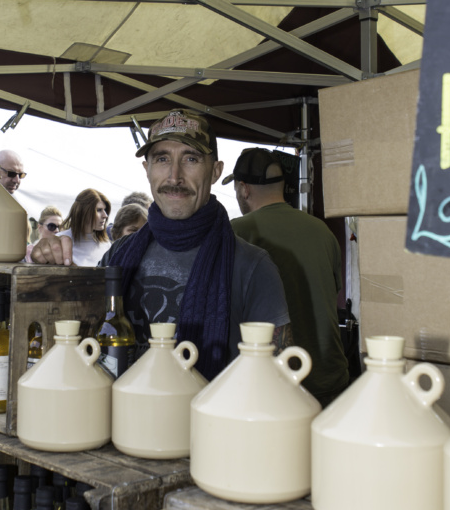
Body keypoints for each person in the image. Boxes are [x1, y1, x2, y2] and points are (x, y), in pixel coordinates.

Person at [31, 109, 290, 381]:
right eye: (162, 159)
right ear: (147, 170)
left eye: (191, 158)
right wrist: (50, 270)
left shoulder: (253, 267)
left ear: (215, 171)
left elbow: (277, 383)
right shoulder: (118, 254)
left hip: (208, 421)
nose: (174, 177)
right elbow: (76, 335)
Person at [224, 147, 349, 406]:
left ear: (244, 189)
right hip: (329, 376)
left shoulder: (235, 232)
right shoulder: (322, 230)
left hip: (276, 385)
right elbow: (333, 292)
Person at [56, 189, 111, 266]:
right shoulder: (59, 241)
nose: (105, 215)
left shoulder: (106, 244)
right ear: (83, 211)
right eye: (99, 210)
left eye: (105, 210)